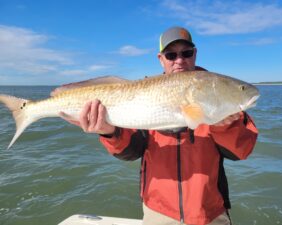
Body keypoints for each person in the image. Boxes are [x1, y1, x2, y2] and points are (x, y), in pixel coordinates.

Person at [61, 27, 258, 225]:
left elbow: (241, 151)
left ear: (195, 54)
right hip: (159, 212)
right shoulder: (145, 90)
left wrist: (224, 126)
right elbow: (131, 152)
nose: (179, 60)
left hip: (209, 212)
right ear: (160, 59)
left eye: (186, 53)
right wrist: (108, 132)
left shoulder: (217, 98)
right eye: (171, 55)